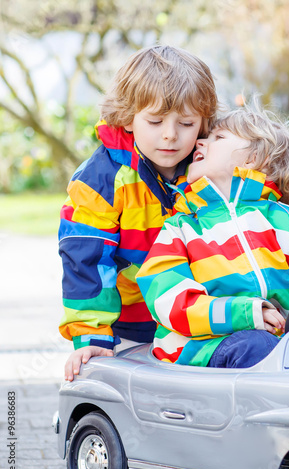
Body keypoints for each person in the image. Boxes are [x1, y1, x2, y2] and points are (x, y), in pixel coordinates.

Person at [60, 45, 218, 381]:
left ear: (204, 124)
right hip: (130, 325)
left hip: (204, 315)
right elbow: (86, 260)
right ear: (128, 117)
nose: (170, 135)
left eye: (187, 123)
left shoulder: (213, 168)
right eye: (156, 120)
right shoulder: (99, 182)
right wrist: (92, 336)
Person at [136, 104, 289, 368]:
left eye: (217, 138)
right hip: (200, 350)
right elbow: (168, 301)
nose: (200, 144)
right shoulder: (180, 229)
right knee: (257, 346)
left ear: (251, 159)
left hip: (276, 348)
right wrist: (245, 313)